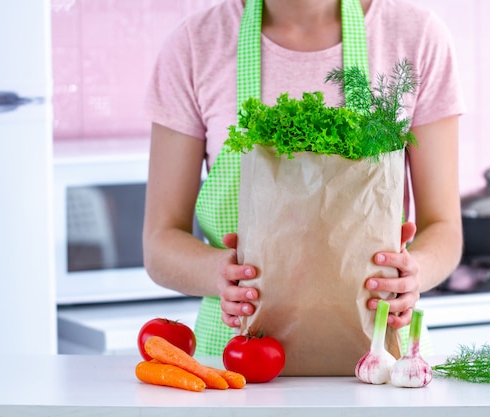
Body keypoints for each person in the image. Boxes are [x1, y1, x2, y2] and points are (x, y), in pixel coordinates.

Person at [143, 0, 464, 357]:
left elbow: (444, 227)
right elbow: (160, 241)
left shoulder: (415, 36)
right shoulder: (196, 43)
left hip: (382, 362)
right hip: (236, 365)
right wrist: (220, 274)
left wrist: (413, 272)